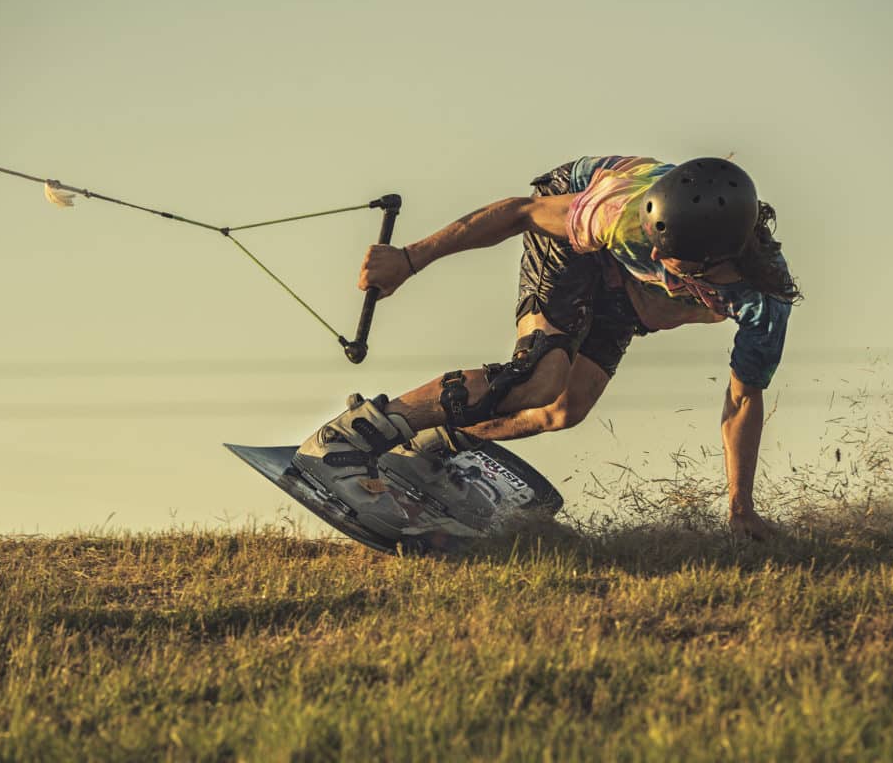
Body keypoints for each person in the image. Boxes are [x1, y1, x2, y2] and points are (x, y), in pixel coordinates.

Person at [294, 156, 799, 541]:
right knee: (538, 379)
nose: (659, 261)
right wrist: (409, 259)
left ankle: (425, 446)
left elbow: (741, 401)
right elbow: (520, 212)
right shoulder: (616, 216)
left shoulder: (763, 304)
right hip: (572, 222)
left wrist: (741, 508)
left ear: (716, 262)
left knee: (562, 408)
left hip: (627, 288)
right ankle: (348, 438)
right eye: (654, 253)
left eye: (674, 264)